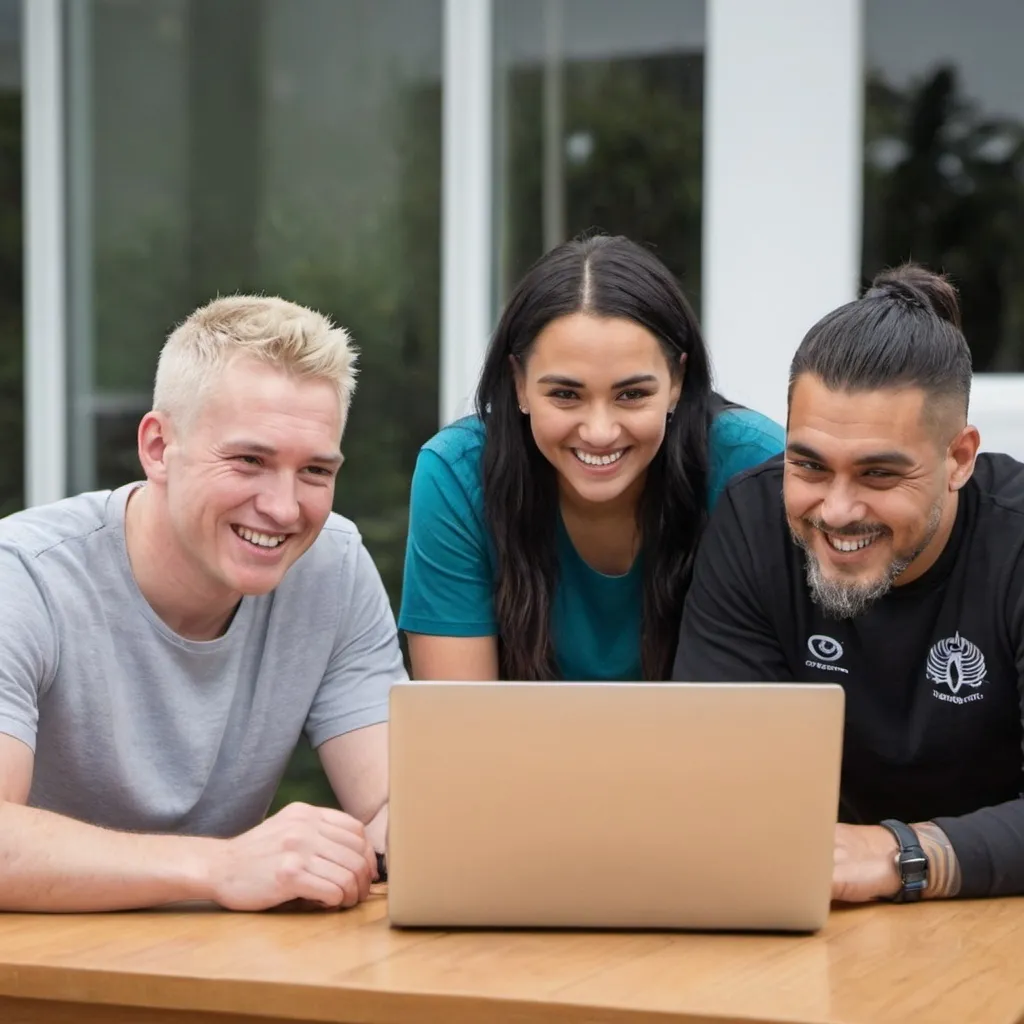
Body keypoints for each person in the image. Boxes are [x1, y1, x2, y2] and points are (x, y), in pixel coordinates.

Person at [0, 296, 406, 912]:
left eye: (316, 472)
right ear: (159, 447)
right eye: (250, 460)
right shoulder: (22, 576)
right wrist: (220, 866)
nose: (284, 507)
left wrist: (405, 837)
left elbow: (389, 804)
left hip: (213, 970)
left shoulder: (334, 567)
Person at [673, 264, 1024, 903]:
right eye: (808, 465)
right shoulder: (751, 525)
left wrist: (903, 854)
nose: (836, 511)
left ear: (960, 459)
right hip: (817, 915)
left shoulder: (1016, 543)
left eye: (878, 475)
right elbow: (716, 779)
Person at [400, 234, 784, 682]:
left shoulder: (755, 468)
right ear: (519, 383)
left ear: (676, 381)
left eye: (632, 394)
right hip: (514, 753)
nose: (599, 432)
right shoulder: (456, 474)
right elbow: (458, 727)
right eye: (565, 394)